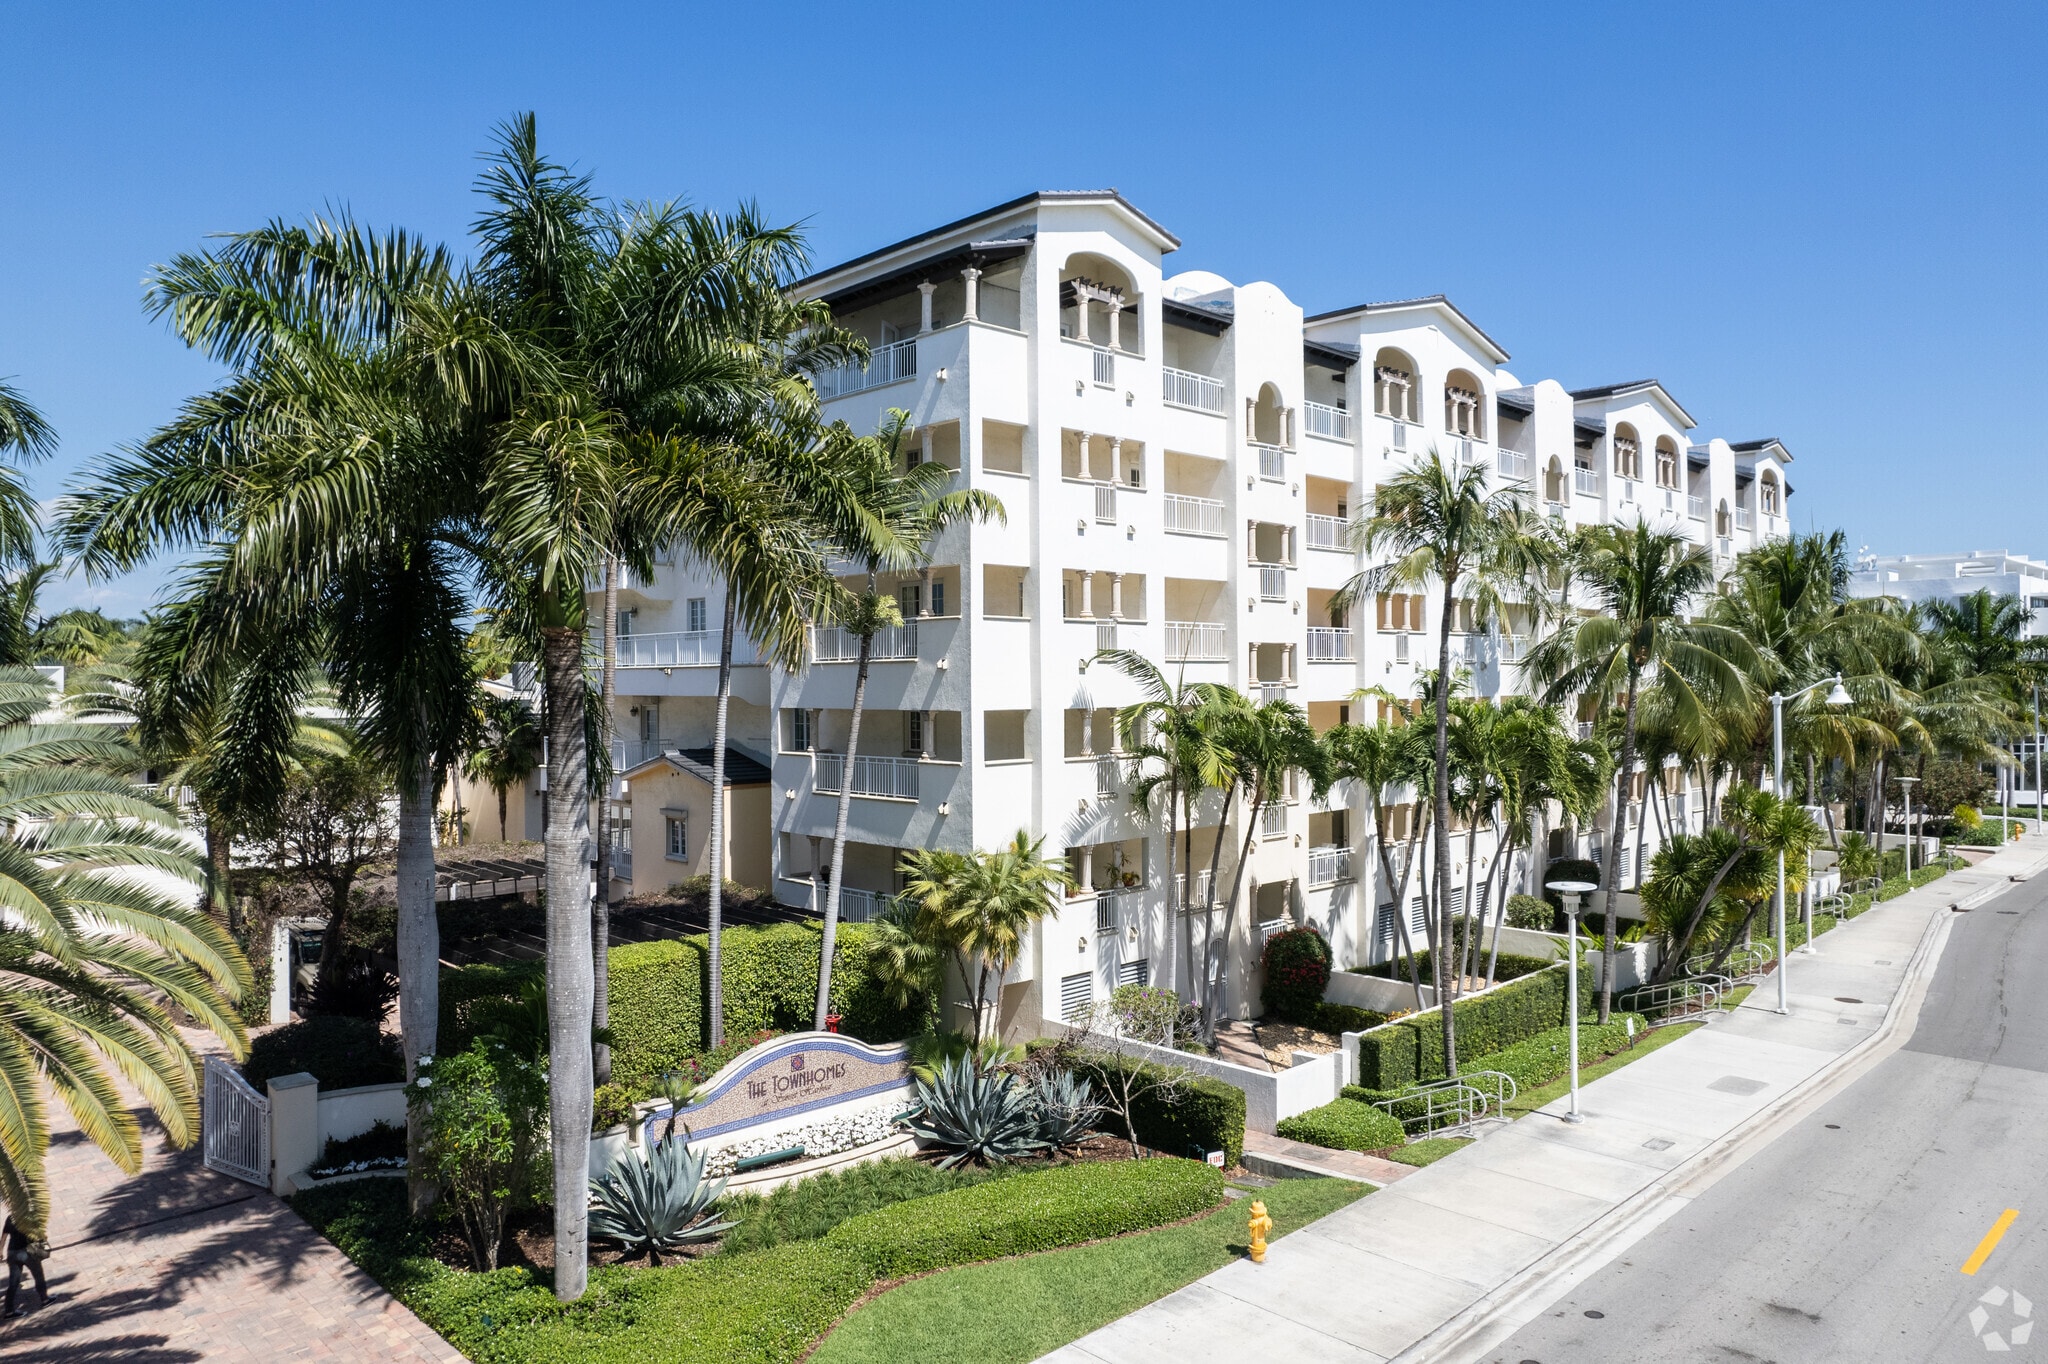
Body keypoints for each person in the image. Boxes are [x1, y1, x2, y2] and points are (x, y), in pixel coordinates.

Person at [3, 1212, 49, 1319]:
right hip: (27, 1252)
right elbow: (38, 1235)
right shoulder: (30, 1216)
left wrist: (0, 1250)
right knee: (38, 1274)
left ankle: (9, 1311)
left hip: (12, 1253)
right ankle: (45, 1299)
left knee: (13, 1283)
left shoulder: (11, 1218)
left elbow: (4, 1236)